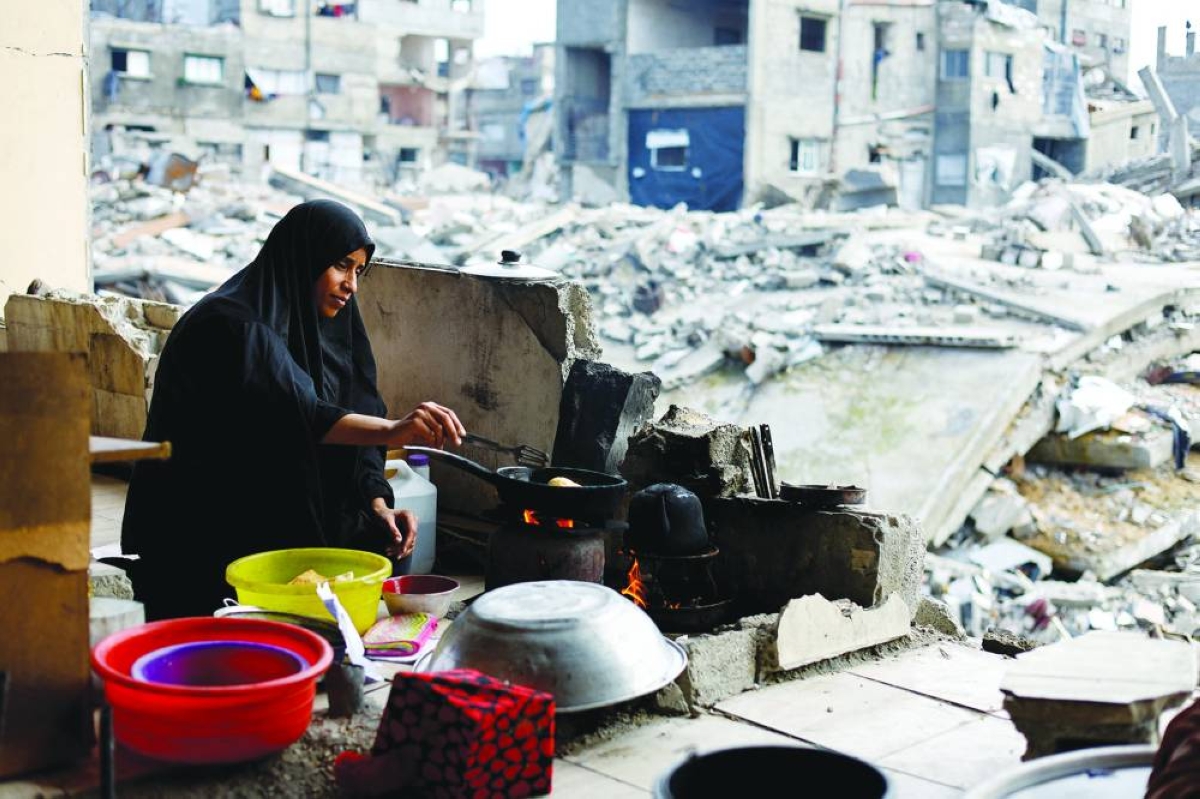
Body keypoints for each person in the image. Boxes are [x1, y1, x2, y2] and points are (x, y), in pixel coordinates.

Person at [120, 199, 464, 620]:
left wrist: (377, 502)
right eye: (341, 265)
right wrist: (395, 430)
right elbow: (298, 415)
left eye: (359, 271)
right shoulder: (231, 324)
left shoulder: (333, 330)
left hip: (274, 493)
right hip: (208, 515)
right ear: (305, 257)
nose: (351, 285)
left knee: (384, 538)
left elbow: (357, 410)